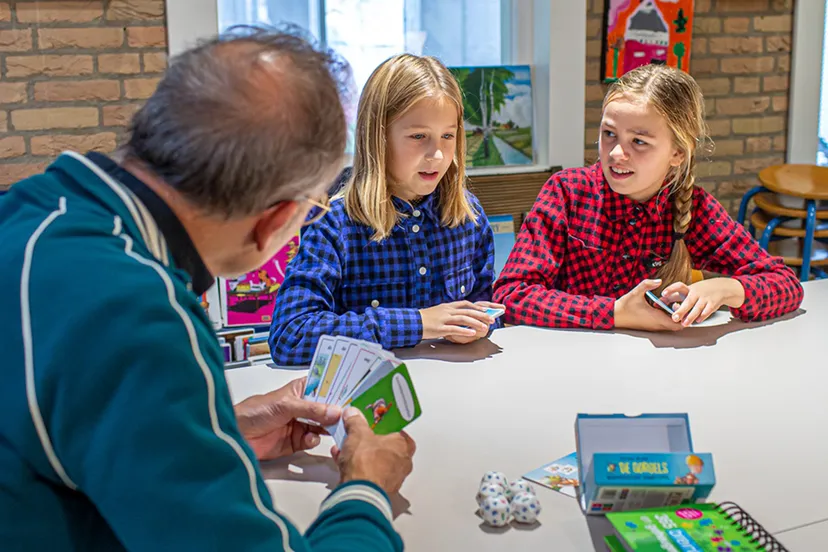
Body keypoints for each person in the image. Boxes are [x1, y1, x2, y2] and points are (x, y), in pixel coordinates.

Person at [0, 27, 415, 551]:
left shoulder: (35, 209)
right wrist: (366, 489)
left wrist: (216, 428)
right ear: (276, 221)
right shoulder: (141, 313)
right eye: (314, 209)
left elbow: (67, 419)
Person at [493, 64, 803, 331]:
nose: (616, 153)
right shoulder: (566, 192)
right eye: (609, 134)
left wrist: (728, 288)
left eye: (639, 141)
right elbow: (510, 295)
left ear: (677, 153)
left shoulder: (693, 206)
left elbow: (787, 284)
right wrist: (614, 314)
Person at [269, 54, 503, 366]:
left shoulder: (468, 216)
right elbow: (290, 335)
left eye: (448, 136)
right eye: (418, 136)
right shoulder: (334, 223)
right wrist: (418, 323)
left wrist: (478, 325)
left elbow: (488, 309)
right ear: (378, 137)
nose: (436, 154)